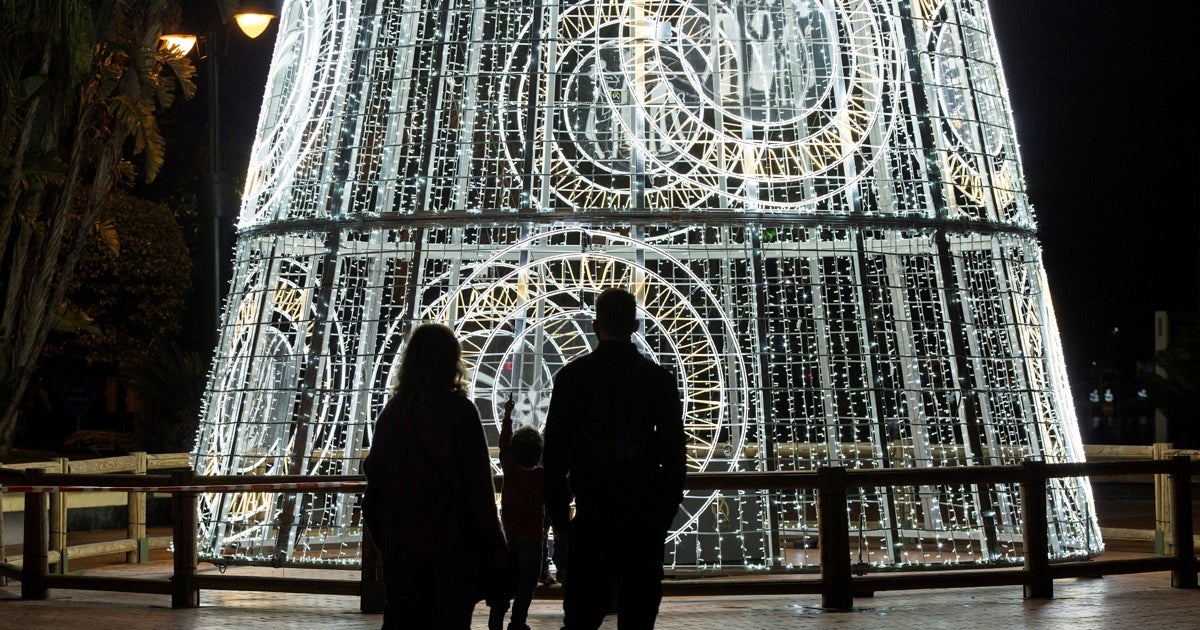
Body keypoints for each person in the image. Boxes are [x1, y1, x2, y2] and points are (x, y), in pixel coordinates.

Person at [542, 288, 687, 630]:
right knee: (638, 618)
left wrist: (562, 521)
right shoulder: (658, 380)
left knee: (582, 617)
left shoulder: (572, 378)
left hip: (592, 520)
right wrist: (662, 514)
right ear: (635, 325)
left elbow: (555, 456)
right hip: (641, 523)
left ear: (595, 326)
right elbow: (675, 456)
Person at [362, 323, 507, 629]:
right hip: (452, 553)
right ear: (452, 361)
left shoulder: (392, 413)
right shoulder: (461, 413)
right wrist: (496, 544)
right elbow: (479, 489)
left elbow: (374, 485)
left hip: (403, 552)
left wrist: (389, 542)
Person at [489, 396, 547, 630]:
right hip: (533, 537)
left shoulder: (511, 471)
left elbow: (503, 445)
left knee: (504, 580)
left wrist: (507, 416)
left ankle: (496, 620)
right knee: (528, 583)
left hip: (510, 535)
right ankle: (518, 621)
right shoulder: (543, 477)